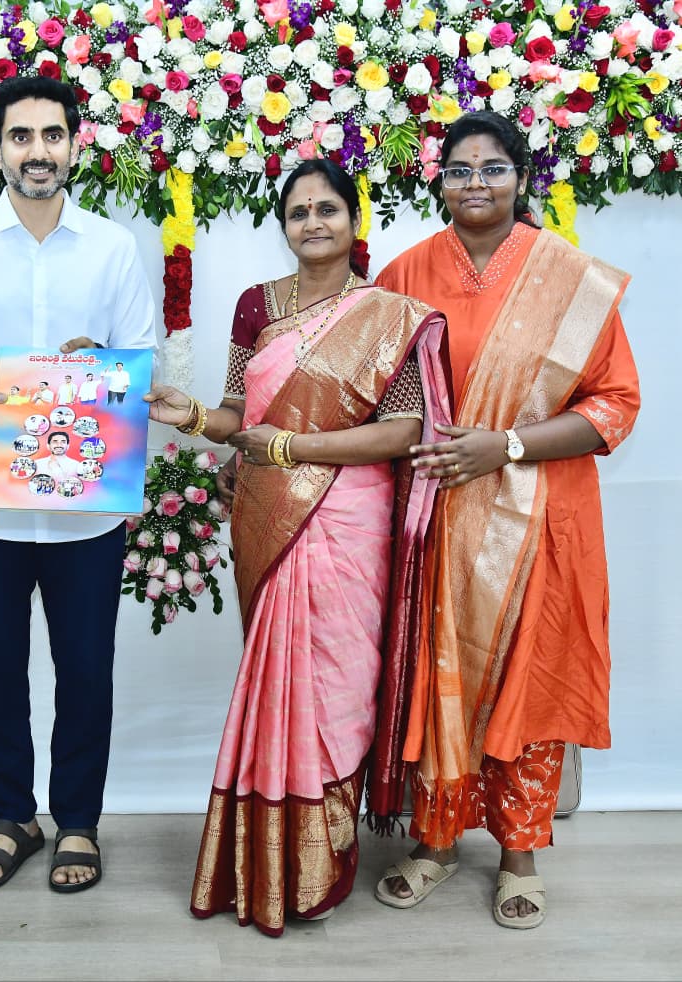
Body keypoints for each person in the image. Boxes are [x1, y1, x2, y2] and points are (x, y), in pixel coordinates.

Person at [145, 159, 451, 936]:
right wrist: (190, 417)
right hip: (270, 515)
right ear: (283, 226)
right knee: (279, 682)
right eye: (297, 212)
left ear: (353, 220)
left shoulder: (388, 315)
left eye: (326, 209)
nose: (312, 222)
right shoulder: (257, 306)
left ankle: (323, 860)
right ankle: (271, 862)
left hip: (350, 519)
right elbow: (233, 414)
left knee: (339, 686)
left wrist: (291, 449)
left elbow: (402, 432)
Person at [372, 111, 640, 929]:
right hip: (434, 515)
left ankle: (519, 851)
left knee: (527, 680)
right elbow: (374, 395)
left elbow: (614, 405)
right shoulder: (404, 273)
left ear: (520, 179)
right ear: (438, 180)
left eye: (492, 168)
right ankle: (435, 841)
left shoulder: (569, 278)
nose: (476, 183)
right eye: (459, 168)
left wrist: (507, 446)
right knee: (436, 676)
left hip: (538, 520)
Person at [0, 76, 156, 894]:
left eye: (51, 135)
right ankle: (10, 817)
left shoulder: (112, 247)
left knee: (85, 673)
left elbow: (141, 360)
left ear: (75, 144)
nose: (37, 151)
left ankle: (77, 821)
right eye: (21, 136)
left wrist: (105, 368)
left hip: (85, 509)